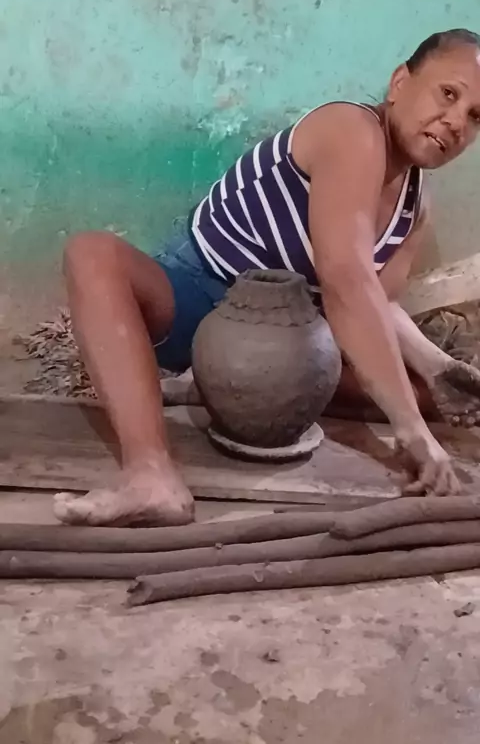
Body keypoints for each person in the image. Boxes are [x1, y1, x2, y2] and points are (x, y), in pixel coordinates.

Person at [55, 28, 480, 527]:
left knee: (443, 401)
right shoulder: (352, 131)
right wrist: (409, 429)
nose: (456, 121)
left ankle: (209, 391)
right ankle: (150, 475)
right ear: (400, 82)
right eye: (447, 94)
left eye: (476, 116)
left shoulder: (415, 203)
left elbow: (376, 304)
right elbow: (346, 282)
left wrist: (436, 367)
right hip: (200, 302)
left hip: (288, 350)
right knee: (92, 255)